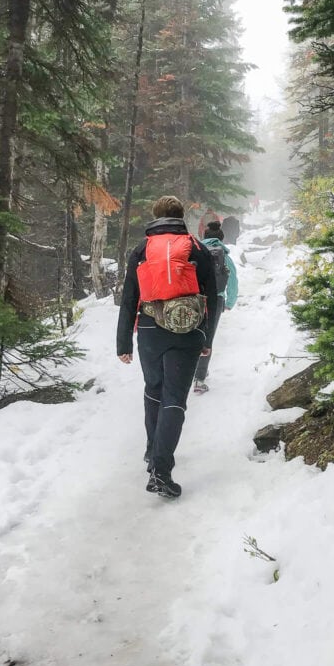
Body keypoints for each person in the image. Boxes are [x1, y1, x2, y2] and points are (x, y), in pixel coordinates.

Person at [117, 195, 218, 499]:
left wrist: (123, 342)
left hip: (149, 329)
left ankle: (152, 453)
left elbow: (129, 298)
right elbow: (211, 297)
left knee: (153, 389)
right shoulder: (196, 248)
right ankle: (161, 470)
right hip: (187, 331)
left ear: (155, 216)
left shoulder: (142, 249)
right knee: (174, 397)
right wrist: (206, 338)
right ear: (181, 216)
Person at [194, 221, 238, 394]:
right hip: (216, 299)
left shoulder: (195, 252)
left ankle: (191, 371)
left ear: (204, 238)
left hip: (194, 299)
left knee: (193, 334)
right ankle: (199, 379)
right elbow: (233, 281)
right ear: (221, 239)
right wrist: (229, 302)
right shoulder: (225, 256)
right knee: (208, 337)